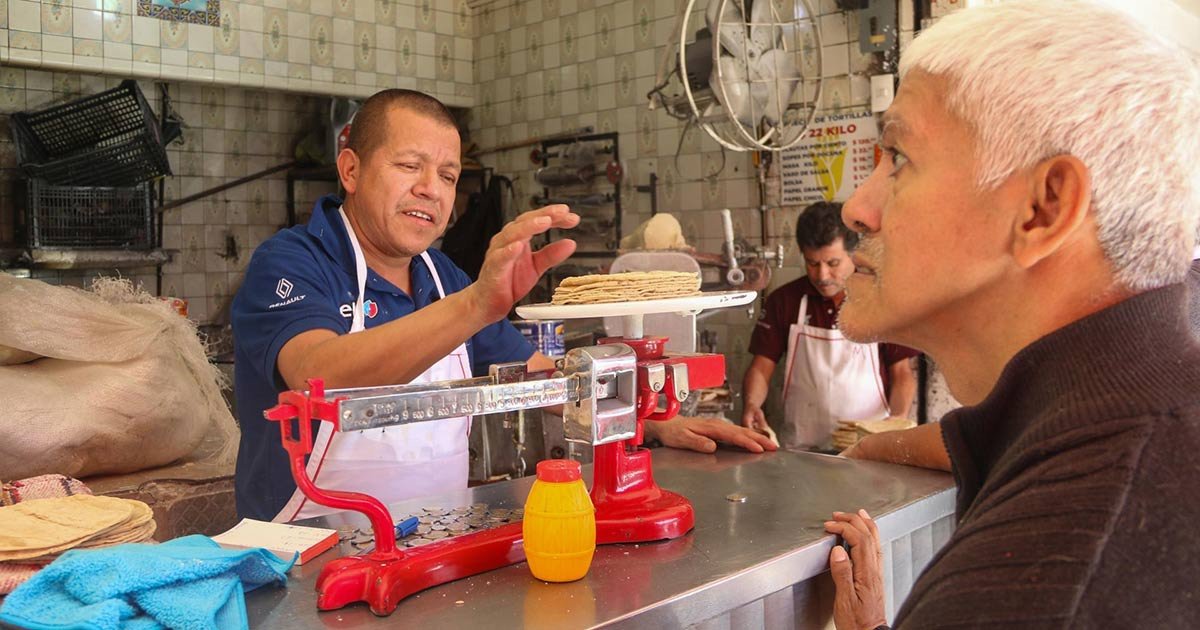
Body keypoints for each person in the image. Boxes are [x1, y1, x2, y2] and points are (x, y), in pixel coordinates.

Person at [820, 2, 1200, 628]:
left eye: (900, 157)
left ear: (1044, 210)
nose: (858, 209)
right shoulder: (1146, 416)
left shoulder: (1043, 585)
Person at [232, 89, 772, 522]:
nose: (431, 190)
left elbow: (541, 381)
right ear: (350, 171)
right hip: (308, 549)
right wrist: (475, 306)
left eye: (447, 176)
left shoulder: (443, 278)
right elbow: (315, 376)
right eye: (409, 166)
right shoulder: (293, 260)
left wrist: (648, 423)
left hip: (435, 532)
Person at [741, 201, 919, 451]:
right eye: (812, 263)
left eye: (832, 263)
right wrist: (752, 405)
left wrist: (897, 420)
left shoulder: (880, 299)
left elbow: (902, 374)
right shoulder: (785, 301)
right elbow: (761, 367)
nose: (822, 276)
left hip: (867, 448)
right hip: (802, 451)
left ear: (853, 255)